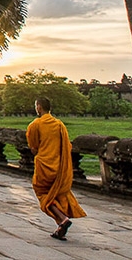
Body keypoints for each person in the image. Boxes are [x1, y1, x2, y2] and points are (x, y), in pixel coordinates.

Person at [27, 97, 86, 241]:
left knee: (42, 194)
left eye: (36, 106)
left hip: (44, 166)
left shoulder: (36, 124)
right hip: (59, 166)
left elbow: (33, 147)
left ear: (39, 107)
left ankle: (62, 218)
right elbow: (67, 146)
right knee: (56, 194)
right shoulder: (59, 125)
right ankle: (60, 226)